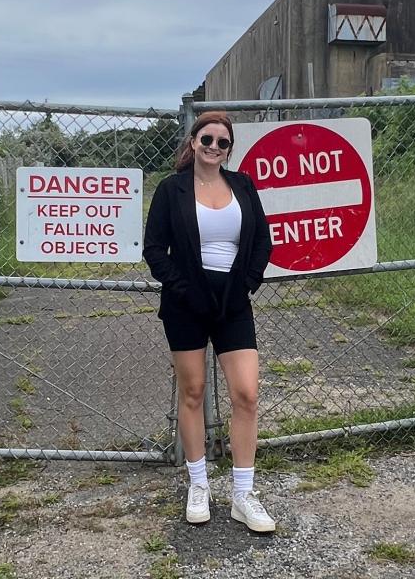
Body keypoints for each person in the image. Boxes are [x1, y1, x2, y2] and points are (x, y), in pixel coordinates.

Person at [143, 111, 276, 532]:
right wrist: (185, 290)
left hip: (233, 302)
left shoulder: (243, 185)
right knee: (194, 392)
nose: (214, 148)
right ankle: (198, 485)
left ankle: (243, 494)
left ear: (229, 149)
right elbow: (154, 250)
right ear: (193, 143)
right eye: (207, 140)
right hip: (186, 302)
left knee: (247, 394)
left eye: (223, 142)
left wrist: (248, 284)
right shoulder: (171, 189)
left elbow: (262, 241)